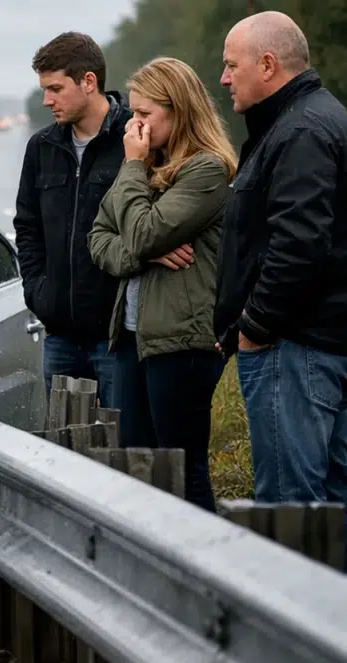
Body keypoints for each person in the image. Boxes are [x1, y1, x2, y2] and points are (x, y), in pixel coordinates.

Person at [215, 11, 347, 587]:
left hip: (298, 344)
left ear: (268, 64)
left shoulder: (302, 131)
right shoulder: (300, 122)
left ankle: (304, 657)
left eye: (231, 65)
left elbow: (298, 244)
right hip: (320, 340)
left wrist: (256, 324)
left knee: (290, 505)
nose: (223, 78)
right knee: (334, 489)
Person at [86, 58, 236, 512]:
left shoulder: (206, 170)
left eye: (145, 115)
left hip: (182, 342)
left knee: (182, 471)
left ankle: (205, 575)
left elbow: (143, 231)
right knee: (140, 466)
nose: (136, 126)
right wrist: (143, 253)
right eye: (132, 114)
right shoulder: (147, 166)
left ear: (179, 110)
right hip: (134, 335)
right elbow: (98, 238)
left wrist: (132, 173)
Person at [14, 32, 133, 407]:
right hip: (60, 336)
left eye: (55, 88)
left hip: (117, 337)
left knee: (122, 448)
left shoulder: (135, 138)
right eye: (44, 89)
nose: (47, 100)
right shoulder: (41, 147)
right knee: (65, 452)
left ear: (88, 82)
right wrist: (38, 293)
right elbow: (27, 227)